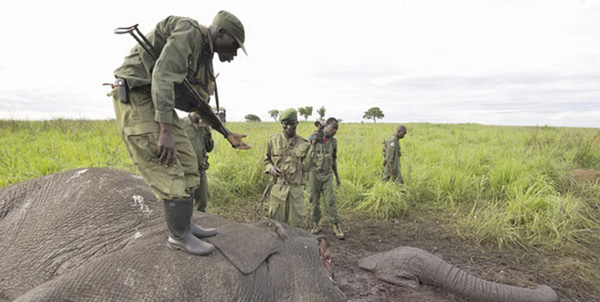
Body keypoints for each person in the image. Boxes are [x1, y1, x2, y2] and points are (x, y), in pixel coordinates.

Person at [110, 11, 249, 256]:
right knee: (169, 162)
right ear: (221, 33)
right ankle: (178, 236)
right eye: (234, 46)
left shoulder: (203, 54)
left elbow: (197, 103)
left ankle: (185, 224)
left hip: (156, 100)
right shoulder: (189, 32)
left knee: (188, 160)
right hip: (138, 96)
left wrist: (225, 133)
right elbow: (162, 75)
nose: (234, 53)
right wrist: (165, 131)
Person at [263, 108, 311, 228]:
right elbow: (266, 161)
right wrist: (271, 168)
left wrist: (315, 149)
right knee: (276, 227)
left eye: (292, 123)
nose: (289, 127)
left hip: (296, 192)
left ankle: (295, 247)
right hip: (277, 191)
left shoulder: (305, 144)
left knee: (296, 227)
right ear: (282, 124)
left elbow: (308, 167)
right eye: (286, 124)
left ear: (297, 123)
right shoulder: (273, 141)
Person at [308, 117, 345, 239]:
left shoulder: (333, 142)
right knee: (314, 200)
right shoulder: (314, 137)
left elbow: (334, 160)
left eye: (336, 129)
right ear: (326, 126)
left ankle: (336, 225)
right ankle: (316, 224)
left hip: (327, 175)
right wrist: (313, 142)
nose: (335, 131)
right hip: (314, 174)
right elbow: (307, 156)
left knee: (330, 201)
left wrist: (337, 178)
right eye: (333, 128)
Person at [182, 112, 214, 212]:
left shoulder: (204, 126)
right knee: (186, 202)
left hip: (201, 170)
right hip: (186, 172)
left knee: (202, 202)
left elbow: (209, 148)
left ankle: (201, 224)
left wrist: (208, 132)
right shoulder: (181, 124)